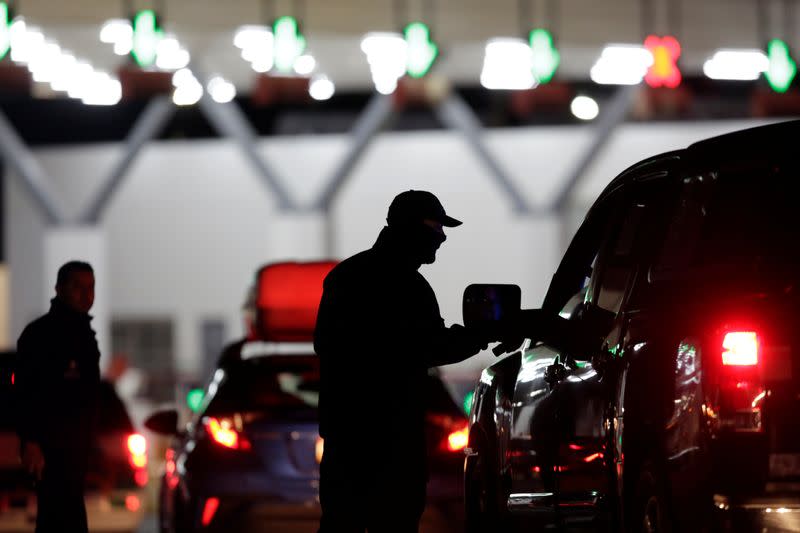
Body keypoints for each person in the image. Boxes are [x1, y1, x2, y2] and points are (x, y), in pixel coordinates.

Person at [314, 190, 490, 533]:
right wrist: (479, 335)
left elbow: (328, 344)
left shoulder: (347, 275)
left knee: (341, 524)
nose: (441, 237)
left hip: (347, 438)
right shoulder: (409, 286)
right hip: (392, 440)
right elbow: (429, 345)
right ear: (410, 228)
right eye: (435, 227)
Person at [14, 261, 101, 533]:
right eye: (78, 287)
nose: (86, 294)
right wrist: (30, 442)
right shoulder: (40, 335)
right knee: (57, 516)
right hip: (51, 451)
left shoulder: (84, 335)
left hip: (76, 449)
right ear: (59, 289)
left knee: (69, 515)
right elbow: (25, 393)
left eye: (91, 287)